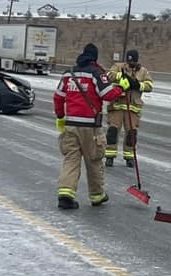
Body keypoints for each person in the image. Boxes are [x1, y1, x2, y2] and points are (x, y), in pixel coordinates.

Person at [53, 43, 133, 209]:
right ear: (94, 58)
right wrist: (121, 88)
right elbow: (108, 95)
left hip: (71, 125)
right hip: (91, 126)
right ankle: (97, 195)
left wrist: (60, 117)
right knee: (94, 160)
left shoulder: (69, 73)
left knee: (71, 160)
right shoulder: (97, 73)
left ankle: (65, 194)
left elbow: (58, 97)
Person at [105, 49, 153, 168]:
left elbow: (150, 85)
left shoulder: (143, 71)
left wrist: (138, 85)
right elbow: (108, 76)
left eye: (134, 62)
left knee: (131, 134)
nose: (131, 64)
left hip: (133, 108)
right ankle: (110, 156)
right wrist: (121, 76)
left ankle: (129, 157)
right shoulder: (118, 67)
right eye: (129, 61)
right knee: (112, 131)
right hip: (117, 106)